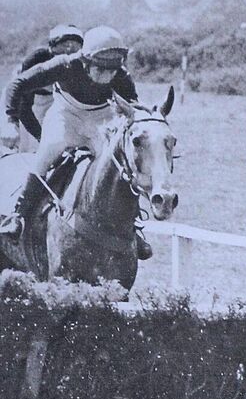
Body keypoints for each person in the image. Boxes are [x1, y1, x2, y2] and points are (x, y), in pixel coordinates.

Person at [0, 26, 154, 260]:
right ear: (85, 60)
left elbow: (132, 105)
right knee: (48, 152)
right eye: (100, 69)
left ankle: (133, 227)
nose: (107, 76)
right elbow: (17, 85)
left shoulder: (121, 75)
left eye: (112, 70)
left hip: (101, 119)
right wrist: (10, 121)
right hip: (66, 116)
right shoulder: (65, 65)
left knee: (117, 166)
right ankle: (18, 216)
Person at [3, 25, 84, 152]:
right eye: (65, 45)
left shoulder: (79, 63)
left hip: (54, 100)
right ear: (52, 48)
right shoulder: (37, 60)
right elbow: (23, 106)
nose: (68, 51)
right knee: (26, 145)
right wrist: (39, 136)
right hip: (22, 101)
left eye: (74, 47)